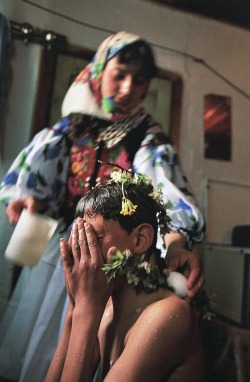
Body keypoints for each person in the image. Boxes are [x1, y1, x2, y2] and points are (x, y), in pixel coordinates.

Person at [0, 32, 205, 382]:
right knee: (52, 343)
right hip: (67, 254)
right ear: (99, 71)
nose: (127, 88)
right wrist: (34, 201)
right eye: (119, 74)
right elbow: (43, 184)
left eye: (139, 81)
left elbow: (163, 195)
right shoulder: (70, 129)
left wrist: (175, 243)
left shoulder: (147, 137)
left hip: (113, 253)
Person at [45, 169, 205, 382]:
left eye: (94, 238)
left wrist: (86, 308)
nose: (81, 255)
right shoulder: (107, 307)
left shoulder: (167, 315)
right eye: (80, 238)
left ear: (139, 240)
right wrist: (75, 307)